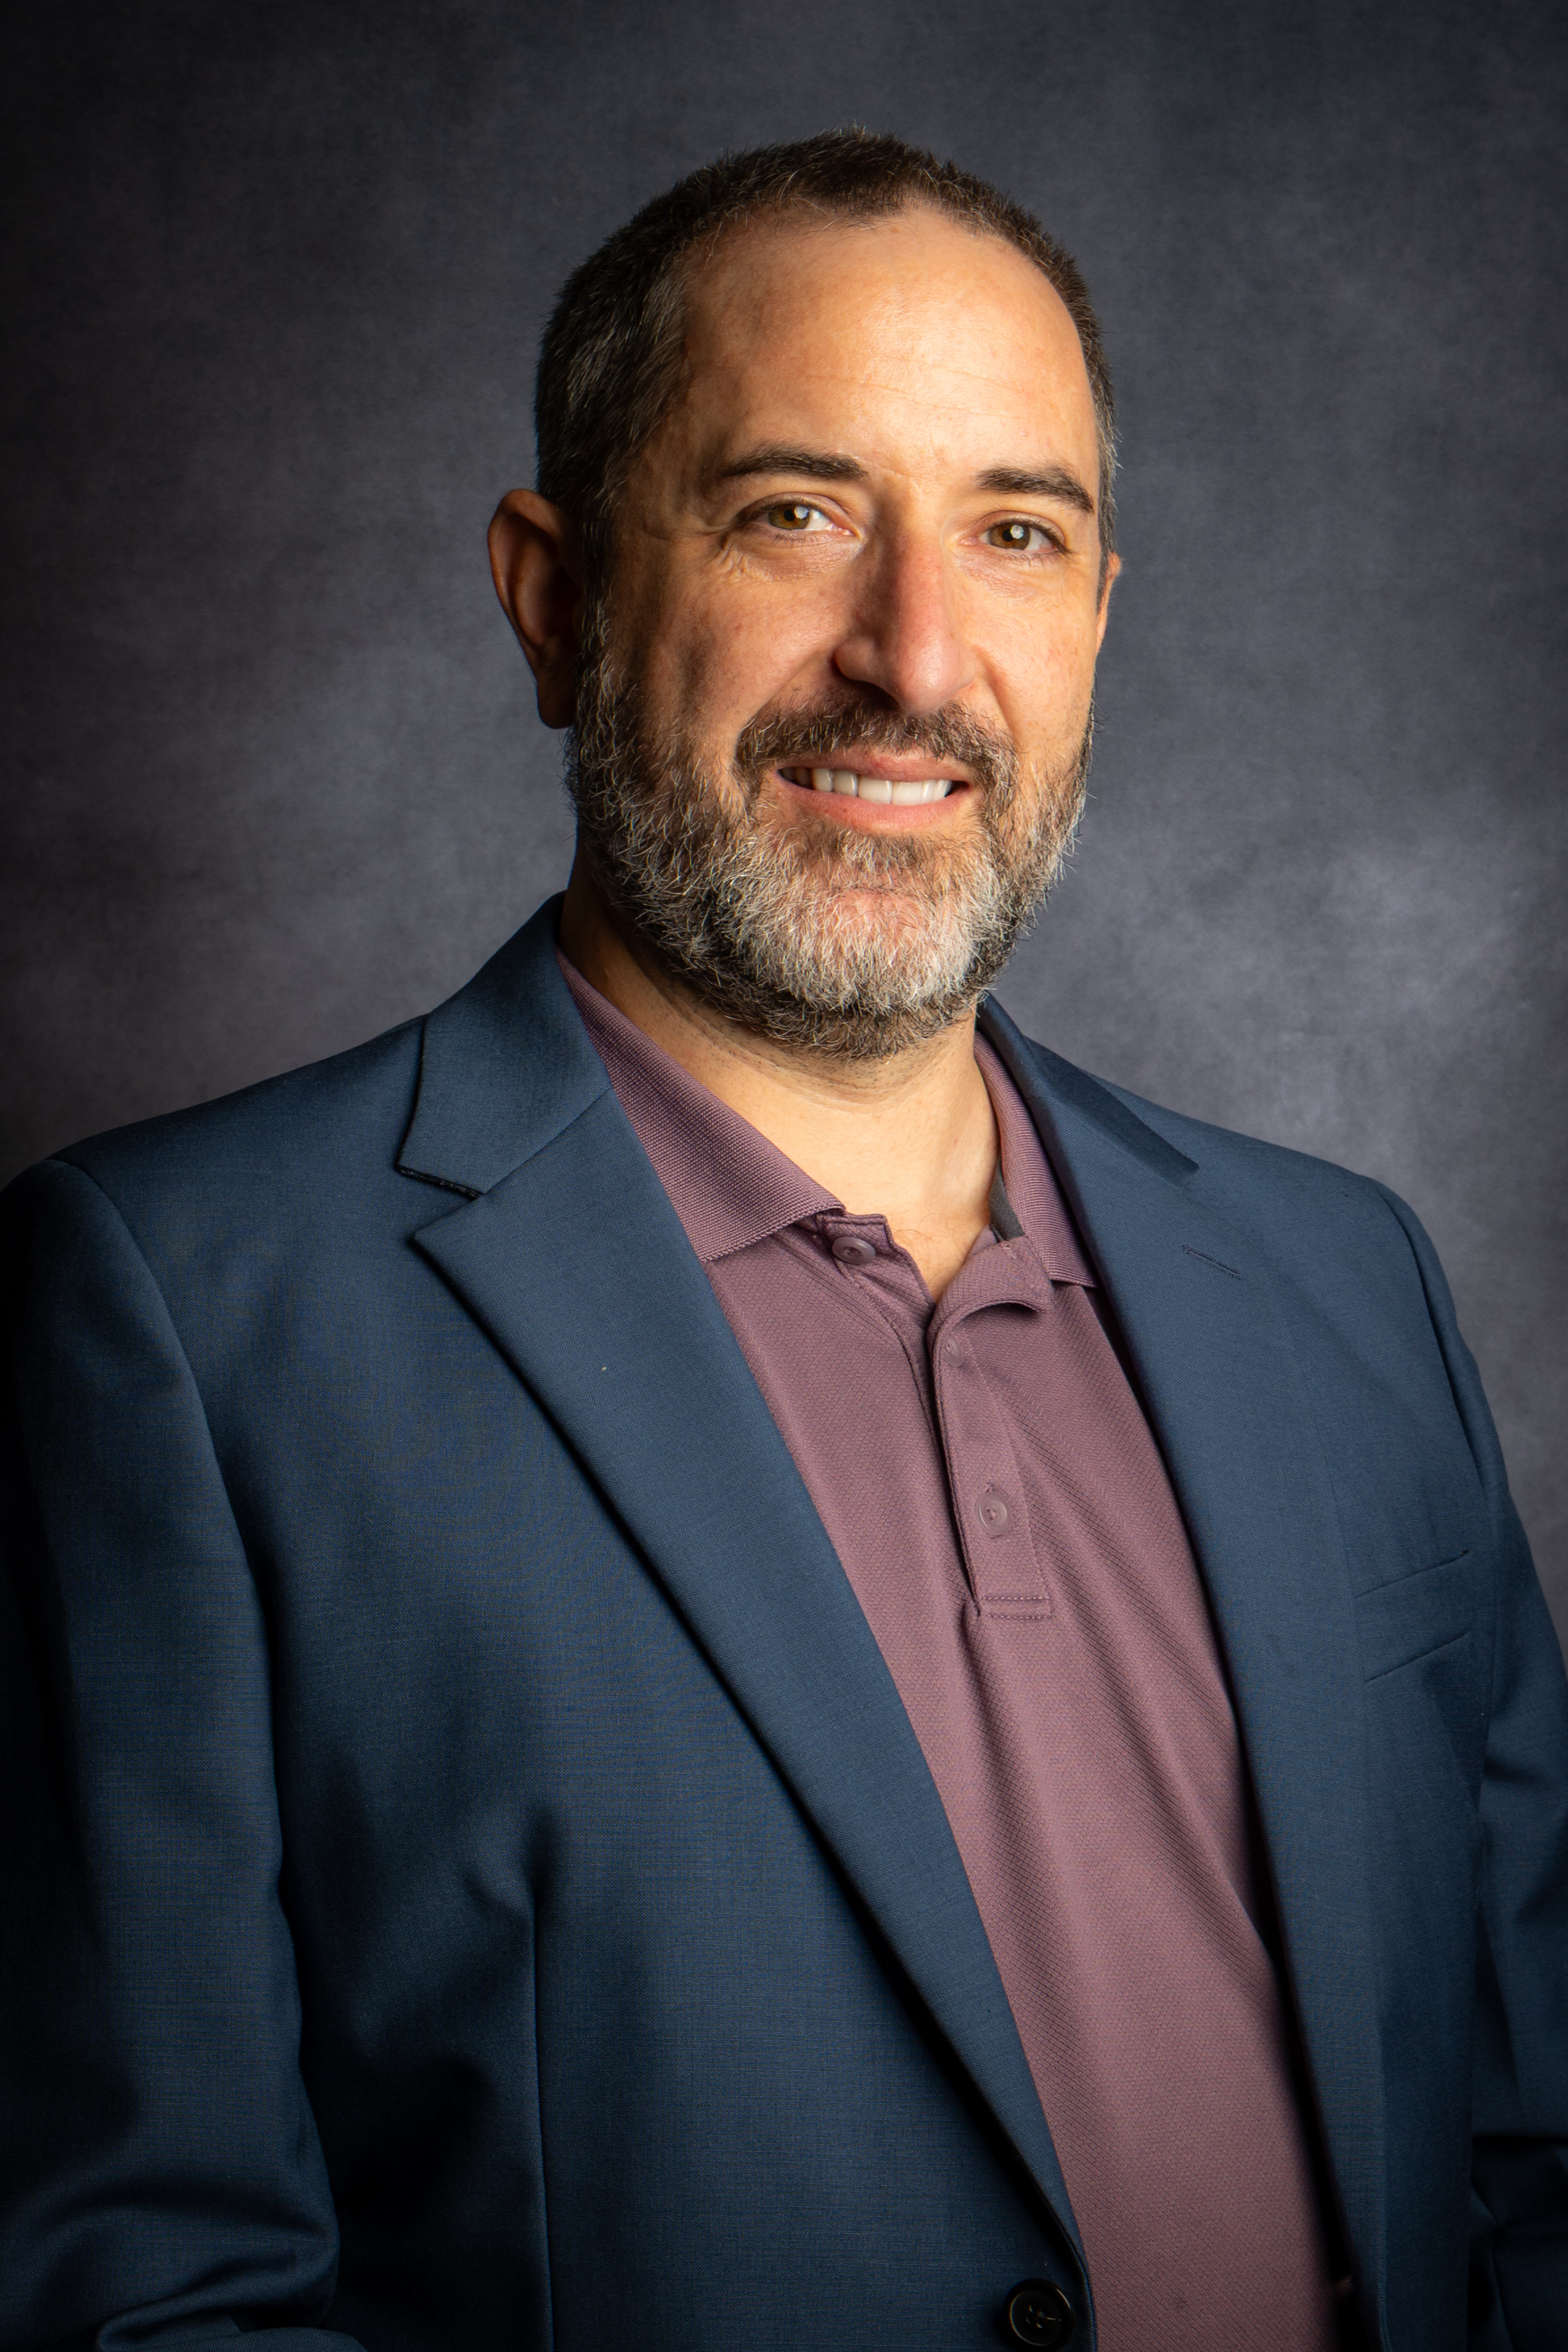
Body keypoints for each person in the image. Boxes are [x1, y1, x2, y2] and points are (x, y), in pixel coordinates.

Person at [2, 128, 1564, 2352]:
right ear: (554, 599)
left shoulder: (1351, 1292)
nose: (912, 657)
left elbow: (1530, 2156)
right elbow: (144, 2292)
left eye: (1014, 532)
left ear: (1100, 621)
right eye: (794, 512)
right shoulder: (173, 1319)